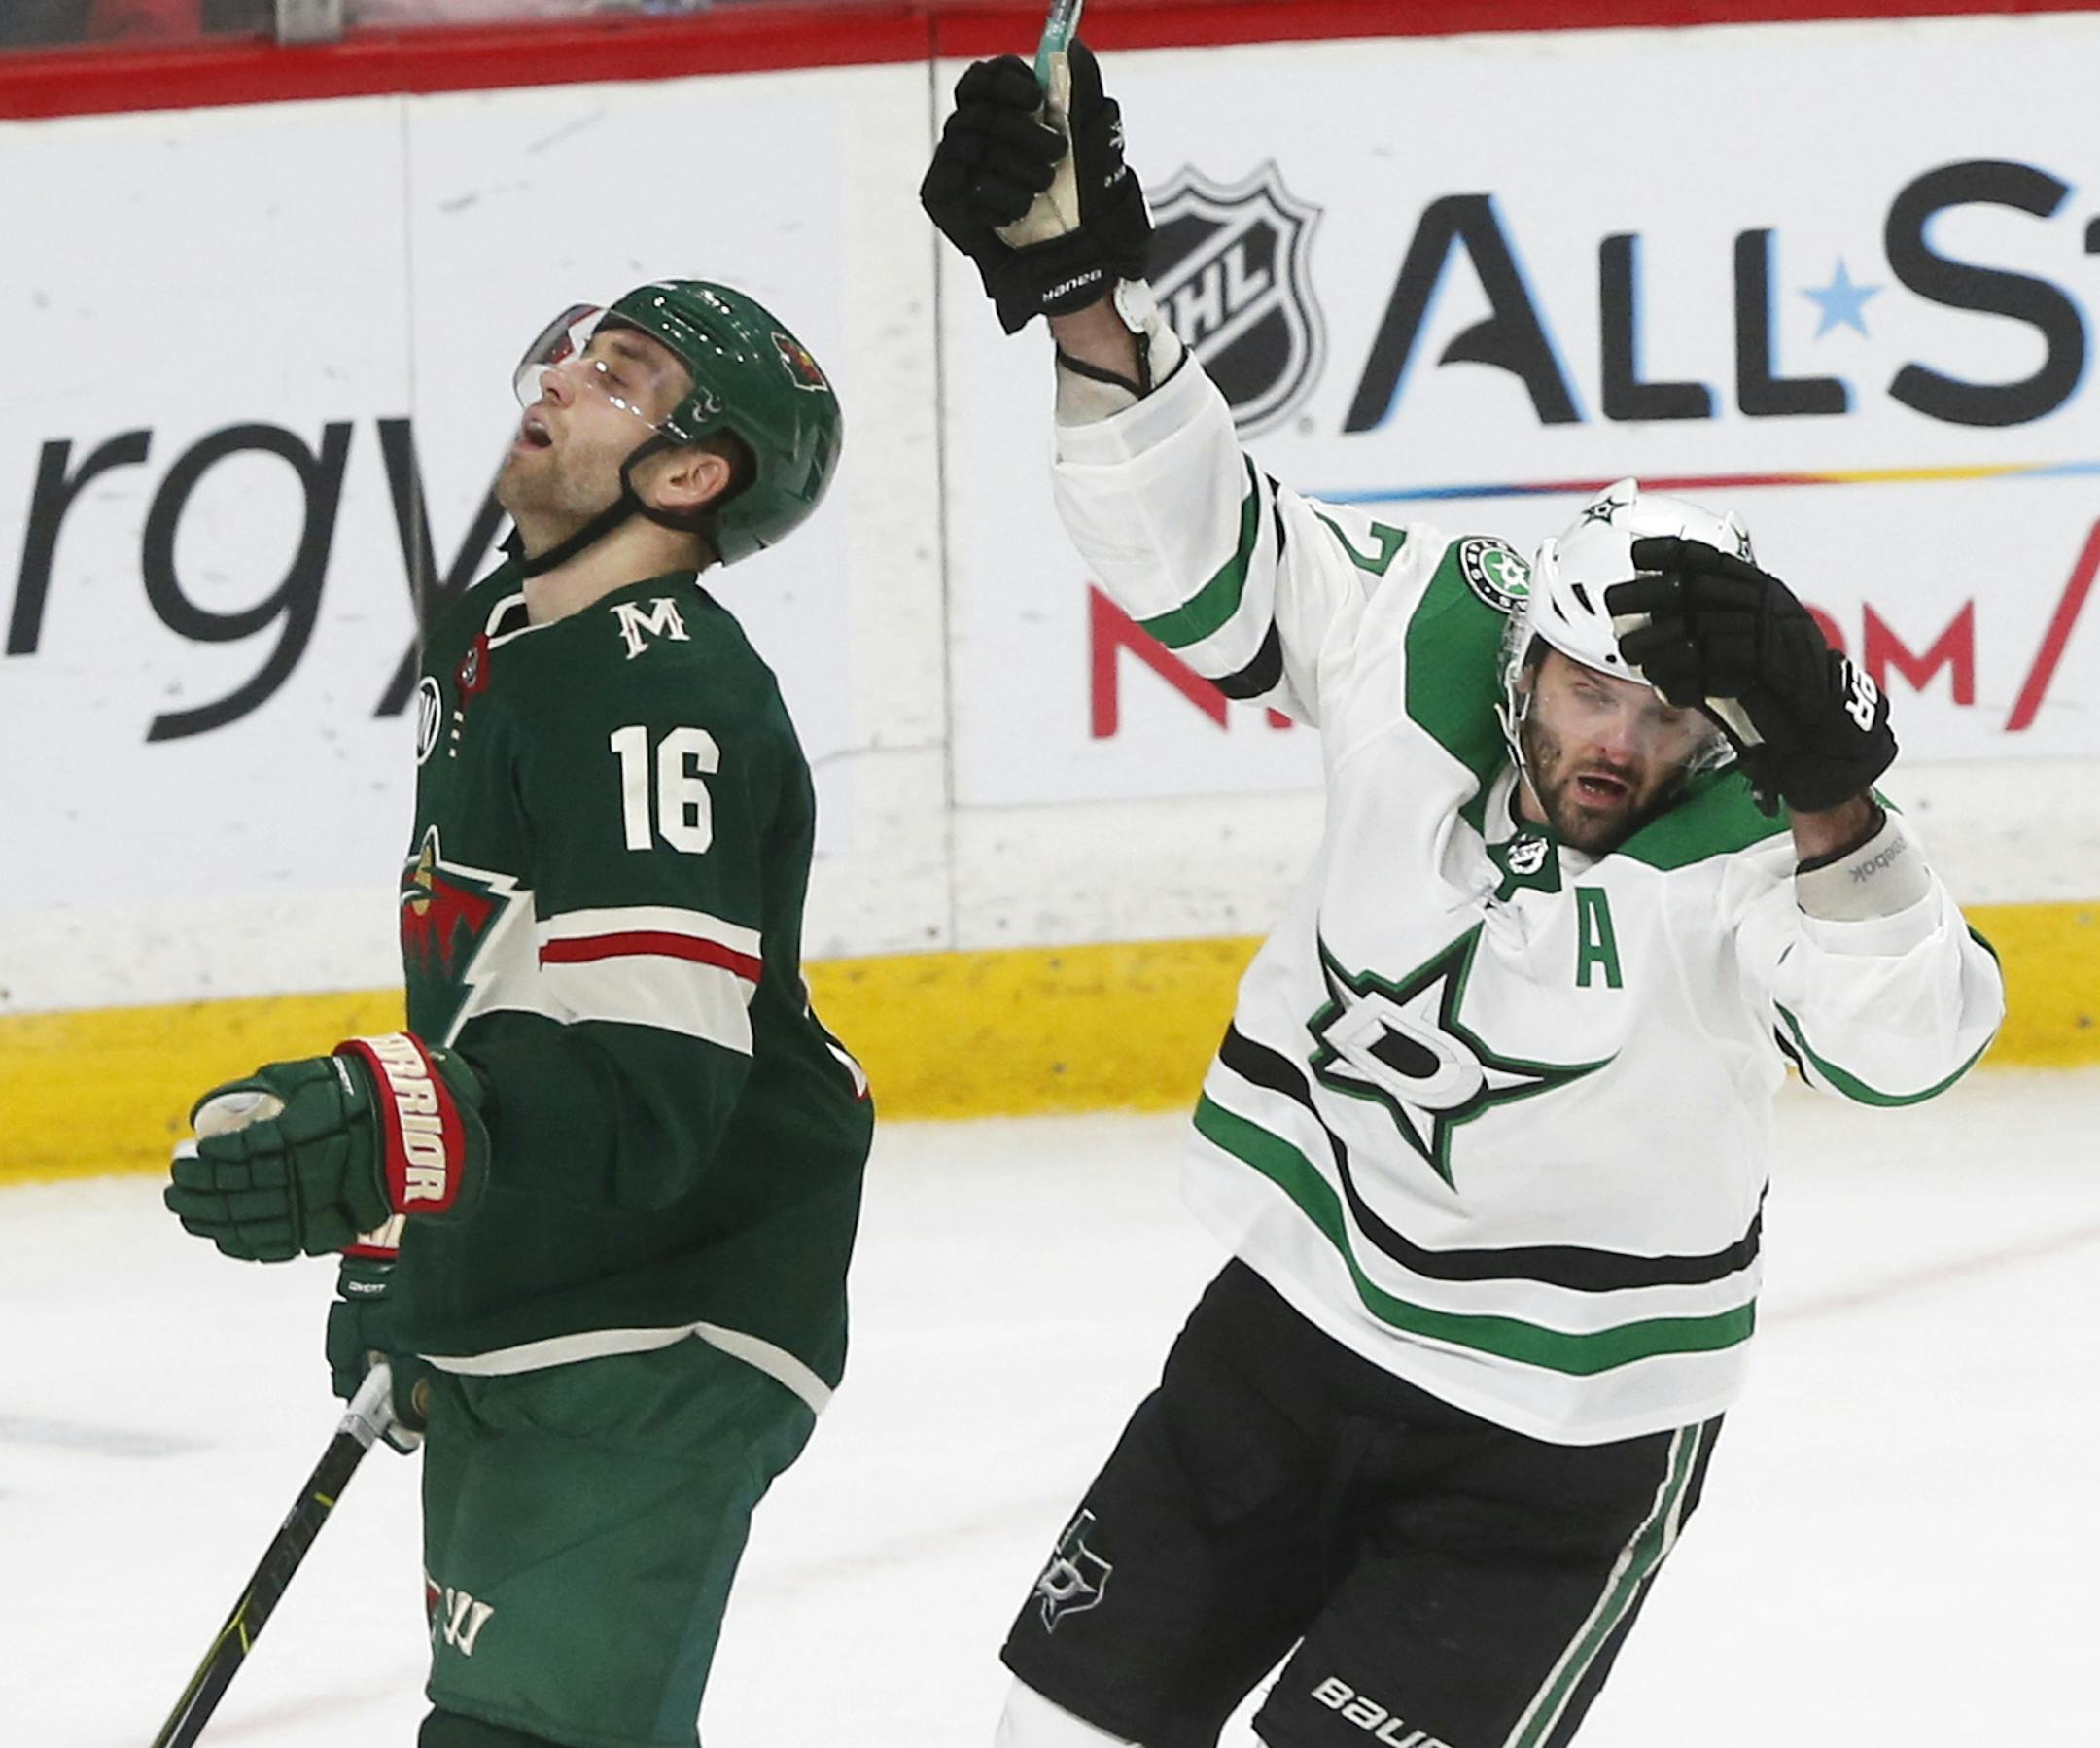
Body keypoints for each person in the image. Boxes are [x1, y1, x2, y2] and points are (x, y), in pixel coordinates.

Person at [923, 47, 2005, 1748]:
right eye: (1588, 692)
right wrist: (1083, 302)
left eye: (1663, 718)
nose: (1614, 745)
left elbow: (1909, 1043)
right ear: (1528, 655)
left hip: (1558, 1435)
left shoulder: (1753, 828)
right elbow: (1194, 543)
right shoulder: (1421, 618)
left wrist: (1834, 793)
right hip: (1288, 1328)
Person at [165, 279, 870, 1748]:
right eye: (577, 349)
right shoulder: (489, 636)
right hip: (533, 1266)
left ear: (688, 474)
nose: (559, 377)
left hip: (679, 1305)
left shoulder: (664, 696)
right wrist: (400, 1236)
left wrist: (383, 1128)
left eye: (619, 372)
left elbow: (649, 1100)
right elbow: (490, 990)